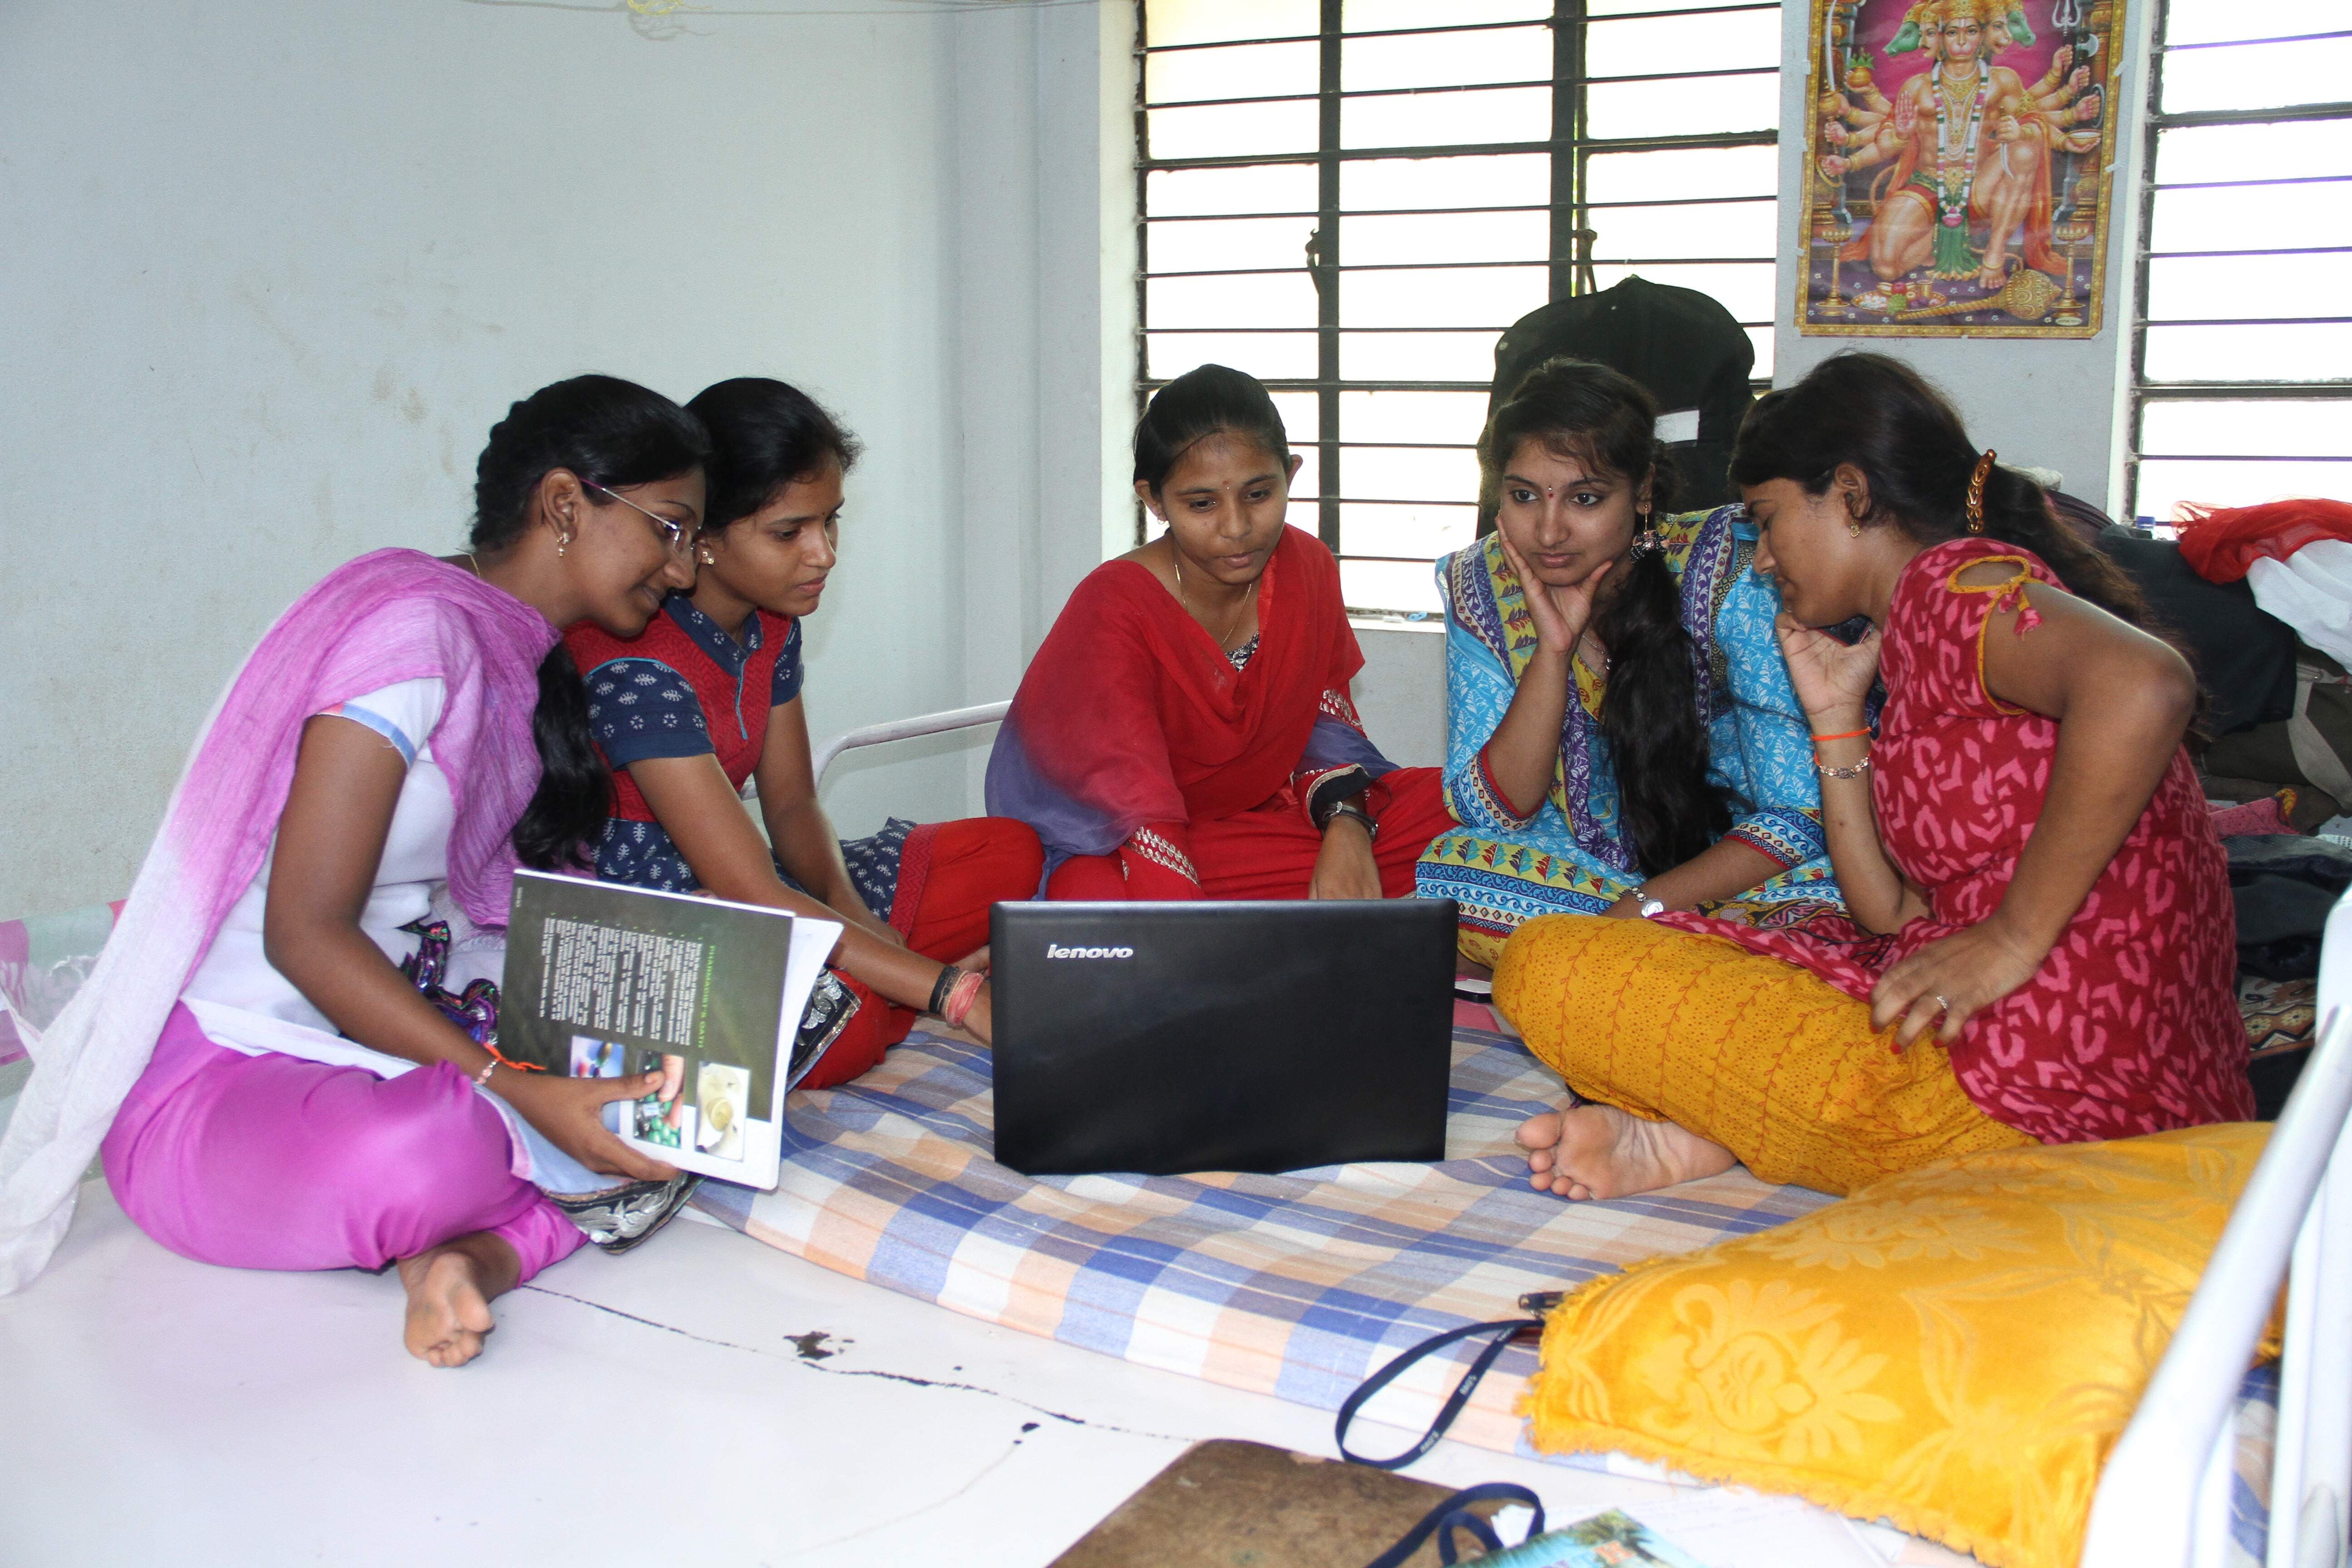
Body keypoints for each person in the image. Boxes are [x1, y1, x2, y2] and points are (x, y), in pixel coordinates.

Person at [0, 375, 715, 1361]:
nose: (681, 572)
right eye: (670, 529)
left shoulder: (519, 663)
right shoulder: (410, 634)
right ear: (563, 504)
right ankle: (493, 1226)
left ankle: (465, 1260)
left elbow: (471, 915)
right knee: (442, 1150)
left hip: (377, 1048)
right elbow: (305, 933)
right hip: (221, 1081)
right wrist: (513, 1086)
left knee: (667, 1106)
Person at [1499, 353, 2254, 1201]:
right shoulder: (1920, 621)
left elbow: (2144, 685)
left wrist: (2010, 937)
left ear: (1849, 494)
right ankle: (1714, 1137)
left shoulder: (1953, 586)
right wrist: (1834, 720)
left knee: (1549, 966)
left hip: (2038, 1089)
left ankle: (1778, 1137)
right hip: (2021, 1053)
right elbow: (1889, 913)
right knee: (1762, 950)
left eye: (1767, 519)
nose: (1758, 559)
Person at [564, 377, 1041, 1084]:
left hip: (766, 889)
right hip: (661, 926)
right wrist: (954, 993)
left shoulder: (771, 625)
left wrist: (848, 910)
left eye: (831, 520)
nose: (824, 554)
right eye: (789, 532)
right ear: (703, 539)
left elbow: (789, 805)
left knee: (1010, 853)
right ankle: (877, 989)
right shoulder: (635, 661)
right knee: (844, 1029)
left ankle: (872, 976)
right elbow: (750, 891)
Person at [1418, 358, 1840, 967]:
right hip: (1591, 874)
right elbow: (1492, 810)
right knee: (1452, 870)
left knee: (1833, 894)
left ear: (1641, 492)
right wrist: (1553, 652)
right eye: (1523, 496)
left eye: (1586, 498)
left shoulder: (1734, 567)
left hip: (1741, 873)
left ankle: (1627, 958)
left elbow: (1800, 814)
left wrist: (1638, 911)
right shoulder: (1478, 580)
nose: (1550, 530)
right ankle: (1682, 964)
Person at [985, 364, 1450, 899]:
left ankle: (1261, 913)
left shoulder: (1308, 567)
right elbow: (1125, 790)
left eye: (1258, 494)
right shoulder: (1116, 604)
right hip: (1139, 838)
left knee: (1455, 810)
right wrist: (1187, 924)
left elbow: (1322, 717)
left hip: (1265, 821)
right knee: (1091, 894)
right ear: (1154, 500)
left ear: (1291, 475)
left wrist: (1347, 828)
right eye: (1202, 504)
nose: (1236, 527)